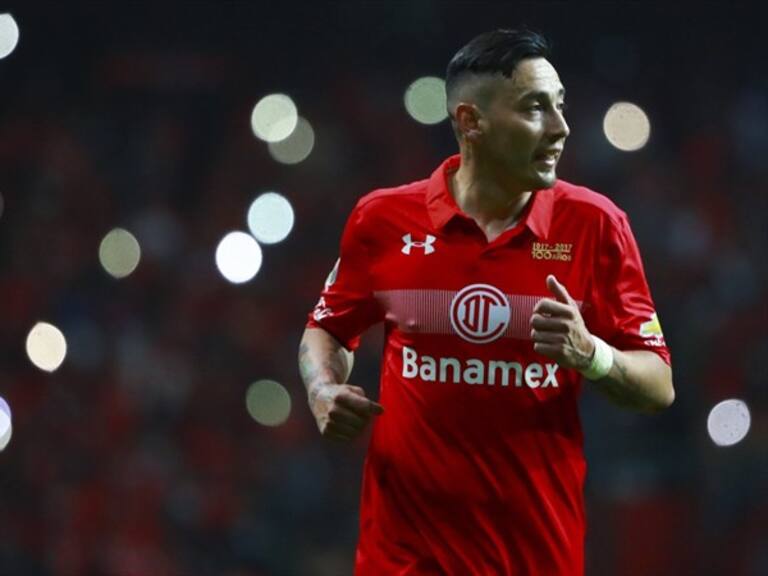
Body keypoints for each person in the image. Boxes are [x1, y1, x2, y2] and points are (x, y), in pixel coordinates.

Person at [298, 28, 674, 575]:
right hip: (402, 561)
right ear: (470, 122)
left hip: (535, 558)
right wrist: (322, 388)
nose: (561, 128)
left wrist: (591, 353)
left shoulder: (596, 225)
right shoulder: (381, 220)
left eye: (560, 106)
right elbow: (327, 328)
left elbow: (659, 384)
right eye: (535, 109)